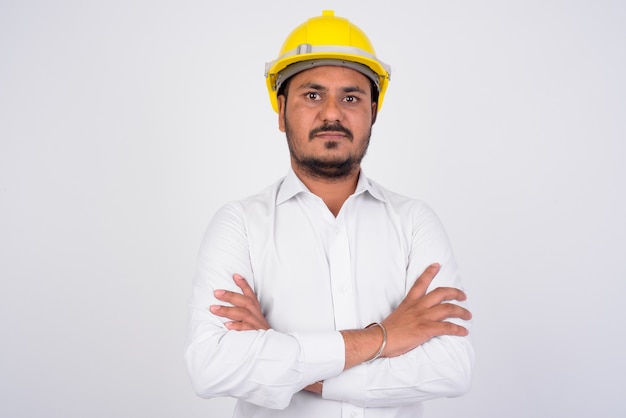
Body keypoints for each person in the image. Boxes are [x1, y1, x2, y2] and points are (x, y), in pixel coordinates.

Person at [185, 10, 474, 418]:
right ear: (281, 109)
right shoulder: (239, 225)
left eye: (351, 97)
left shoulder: (415, 223)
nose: (332, 114)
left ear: (373, 111)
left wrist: (284, 357)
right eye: (313, 94)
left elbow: (452, 368)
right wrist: (383, 338)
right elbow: (212, 367)